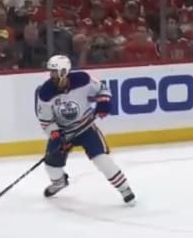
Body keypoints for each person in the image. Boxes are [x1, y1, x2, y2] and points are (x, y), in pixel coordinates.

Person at [35, 55, 136, 205]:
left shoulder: (82, 79)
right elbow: (46, 121)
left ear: (64, 71)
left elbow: (103, 89)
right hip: (63, 133)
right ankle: (59, 182)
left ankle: (124, 189)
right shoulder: (45, 92)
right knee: (51, 166)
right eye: (51, 71)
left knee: (101, 159)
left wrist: (103, 103)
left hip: (86, 128)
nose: (51, 75)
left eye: (54, 72)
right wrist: (57, 137)